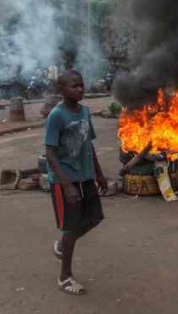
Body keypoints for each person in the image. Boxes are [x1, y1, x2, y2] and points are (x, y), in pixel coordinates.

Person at [45, 69, 108, 296]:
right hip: (65, 181)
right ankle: (64, 277)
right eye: (74, 86)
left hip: (86, 176)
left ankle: (62, 245)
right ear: (62, 90)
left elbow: (88, 145)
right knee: (71, 227)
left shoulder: (84, 111)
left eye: (81, 85)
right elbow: (50, 154)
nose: (80, 89)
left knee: (94, 217)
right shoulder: (56, 116)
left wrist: (99, 174)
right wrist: (67, 186)